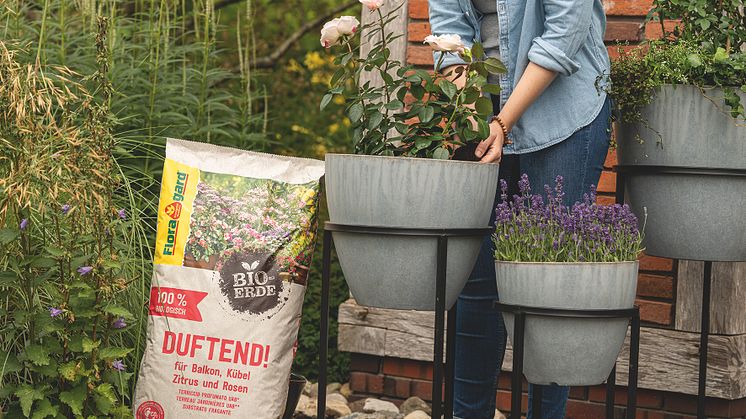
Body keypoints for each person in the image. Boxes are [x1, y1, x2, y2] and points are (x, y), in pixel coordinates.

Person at [428, 0, 613, 418]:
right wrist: (478, 119)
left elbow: (564, 33)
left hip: (562, 112)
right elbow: (449, 32)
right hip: (483, 110)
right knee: (474, 285)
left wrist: (504, 121)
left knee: (548, 293)